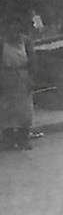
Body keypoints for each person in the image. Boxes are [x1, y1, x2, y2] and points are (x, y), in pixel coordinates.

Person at [0, 16, 36, 152]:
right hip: (6, 78)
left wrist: (31, 78)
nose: (14, 34)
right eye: (11, 30)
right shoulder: (2, 43)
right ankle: (8, 138)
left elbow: (33, 61)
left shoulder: (26, 42)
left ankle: (23, 138)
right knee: (6, 110)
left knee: (24, 110)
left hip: (22, 78)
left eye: (17, 30)